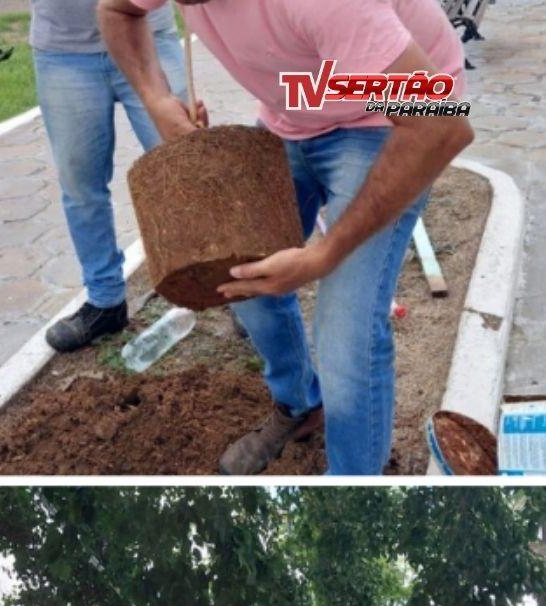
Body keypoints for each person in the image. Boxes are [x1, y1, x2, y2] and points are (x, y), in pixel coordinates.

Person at [100, 0, 472, 475]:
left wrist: (324, 254)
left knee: (346, 336)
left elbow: (443, 124)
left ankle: (354, 489)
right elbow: (117, 10)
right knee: (238, 273)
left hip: (397, 107)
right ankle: (301, 405)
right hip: (304, 103)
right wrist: (155, 98)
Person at [0, 0, 197, 353]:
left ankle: (243, 298)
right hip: (63, 54)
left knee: (191, 169)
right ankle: (105, 302)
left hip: (145, 34)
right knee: (80, 186)